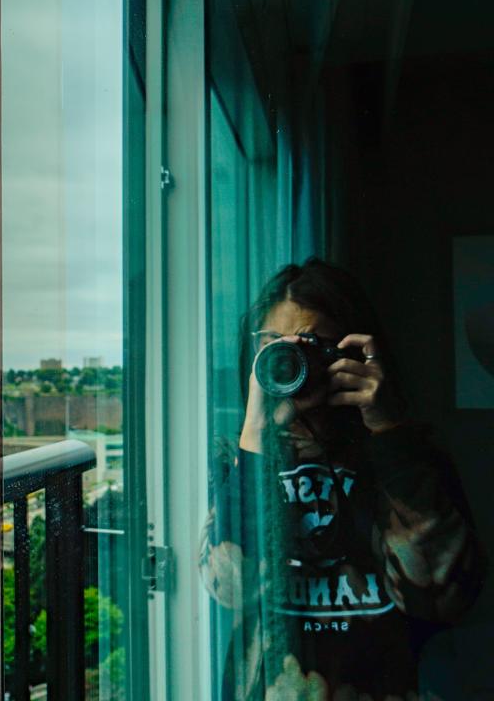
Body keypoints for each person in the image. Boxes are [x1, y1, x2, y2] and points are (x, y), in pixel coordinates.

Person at [199, 259, 485, 700]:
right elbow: (231, 587)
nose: (294, 361)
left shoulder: (408, 455)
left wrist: (389, 433)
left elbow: (441, 597)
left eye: (313, 346)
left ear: (350, 352)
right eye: (275, 346)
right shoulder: (238, 459)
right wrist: (256, 435)